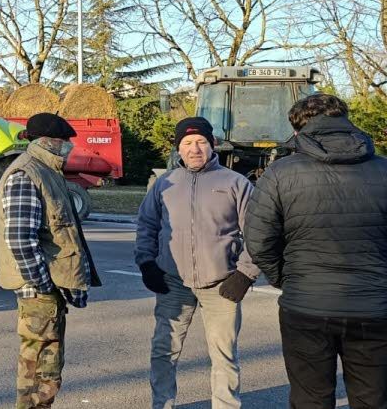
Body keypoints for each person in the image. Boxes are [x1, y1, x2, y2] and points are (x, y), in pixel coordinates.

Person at [245, 94, 387, 408]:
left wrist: (286, 278)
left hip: (306, 306)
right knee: (373, 399)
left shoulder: (280, 173)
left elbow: (259, 240)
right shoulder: (383, 170)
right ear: (346, 122)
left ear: (297, 131)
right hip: (375, 307)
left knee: (310, 399)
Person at [135, 117, 259, 409]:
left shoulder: (235, 183)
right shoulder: (164, 183)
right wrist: (147, 263)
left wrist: (245, 274)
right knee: (164, 351)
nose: (194, 149)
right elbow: (147, 226)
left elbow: (258, 233)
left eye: (201, 142)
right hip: (173, 282)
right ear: (178, 148)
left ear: (212, 144)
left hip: (222, 284)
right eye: (187, 143)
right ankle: (162, 404)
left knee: (224, 354)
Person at [0, 112, 101, 409]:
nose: (69, 146)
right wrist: (43, 285)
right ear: (46, 141)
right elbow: (20, 239)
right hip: (39, 291)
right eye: (64, 140)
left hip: (48, 287)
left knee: (47, 368)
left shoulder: (47, 171)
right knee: (40, 371)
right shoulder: (27, 174)